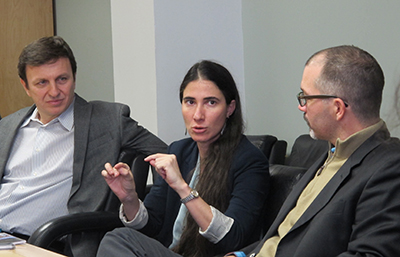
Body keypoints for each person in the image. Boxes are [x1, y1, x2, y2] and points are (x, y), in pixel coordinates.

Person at [0, 36, 167, 256]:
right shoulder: (9, 125)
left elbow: (175, 157)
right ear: (25, 86)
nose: (54, 91)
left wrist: (144, 209)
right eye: (42, 83)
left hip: (41, 242)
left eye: (62, 79)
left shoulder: (107, 120)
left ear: (74, 77)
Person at [227, 45, 400, 257]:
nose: (302, 106)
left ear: (337, 108)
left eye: (306, 97)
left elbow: (370, 254)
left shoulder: (389, 168)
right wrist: (241, 255)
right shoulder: (332, 153)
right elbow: (284, 237)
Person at [97, 60, 270, 257]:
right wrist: (129, 198)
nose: (197, 115)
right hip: (172, 252)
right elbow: (151, 226)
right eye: (190, 102)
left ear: (230, 108)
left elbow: (234, 238)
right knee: (119, 238)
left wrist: (182, 187)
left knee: (118, 239)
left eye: (211, 102)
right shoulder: (178, 150)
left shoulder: (250, 161)